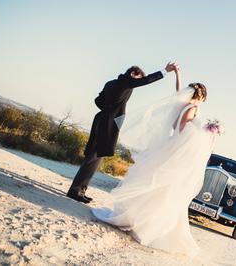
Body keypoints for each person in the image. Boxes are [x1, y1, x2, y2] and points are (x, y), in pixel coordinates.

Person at [91, 67, 215, 257]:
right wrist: (205, 133)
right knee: (166, 188)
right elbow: (182, 129)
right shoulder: (194, 108)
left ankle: (139, 222)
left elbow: (178, 94)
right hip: (176, 152)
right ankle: (146, 227)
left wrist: (177, 75)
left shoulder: (181, 104)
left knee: (156, 184)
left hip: (169, 147)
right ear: (202, 96)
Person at [67, 62, 179, 203]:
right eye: (137, 79)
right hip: (107, 124)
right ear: (132, 74)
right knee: (94, 158)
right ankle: (76, 191)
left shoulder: (111, 83)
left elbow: (98, 100)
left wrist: (109, 109)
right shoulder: (126, 82)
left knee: (94, 156)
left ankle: (79, 189)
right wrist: (165, 71)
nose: (136, 83)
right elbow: (146, 80)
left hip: (101, 119)